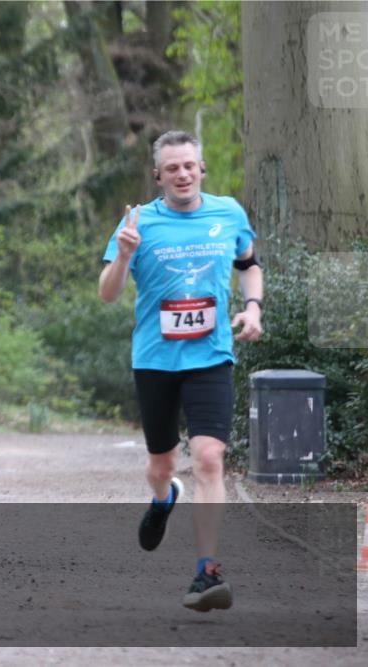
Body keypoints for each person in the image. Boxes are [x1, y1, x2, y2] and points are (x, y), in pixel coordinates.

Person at [98, 130, 263, 612]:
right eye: (172, 168)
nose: (182, 174)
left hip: (211, 356)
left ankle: (207, 571)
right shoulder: (138, 222)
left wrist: (253, 308)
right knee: (163, 466)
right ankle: (164, 496)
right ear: (159, 175)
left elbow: (250, 264)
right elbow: (108, 293)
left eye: (189, 165)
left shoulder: (228, 212)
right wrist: (125, 252)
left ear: (202, 168)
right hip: (155, 361)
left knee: (210, 458)